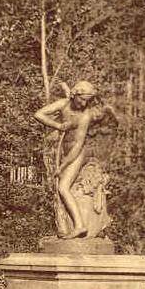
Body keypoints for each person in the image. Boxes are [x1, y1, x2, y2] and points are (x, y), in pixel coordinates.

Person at [34, 81, 116, 239]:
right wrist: (57, 125)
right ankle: (64, 225)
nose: (85, 103)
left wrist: (63, 165)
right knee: (57, 189)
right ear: (75, 95)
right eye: (82, 99)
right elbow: (38, 114)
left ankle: (80, 226)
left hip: (76, 154)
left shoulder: (85, 116)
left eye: (88, 101)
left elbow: (78, 146)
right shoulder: (63, 104)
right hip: (62, 150)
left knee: (63, 188)